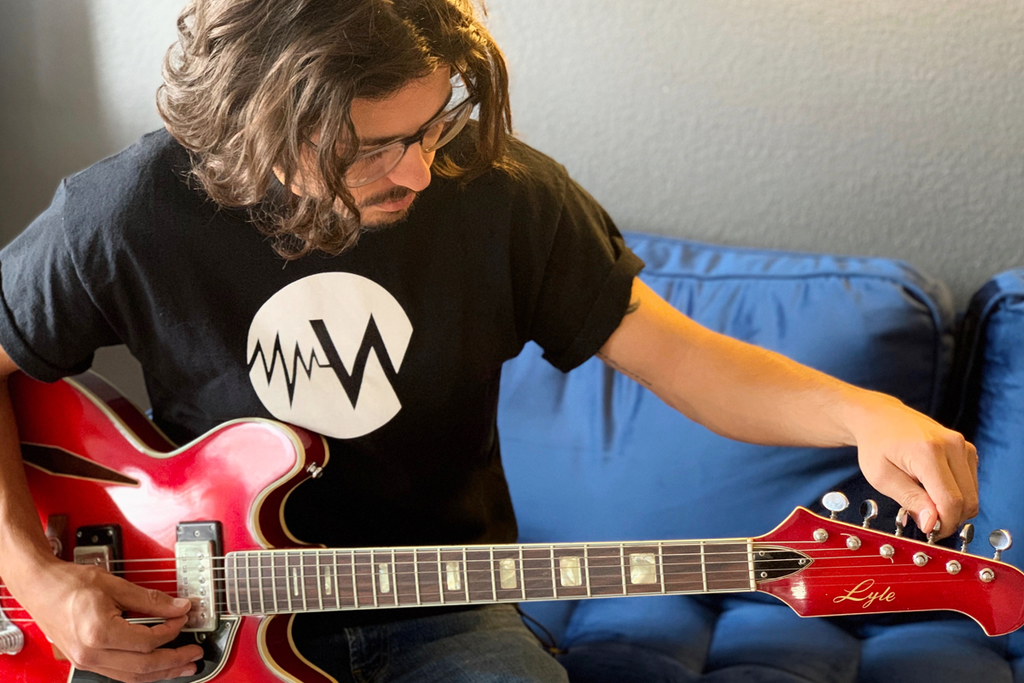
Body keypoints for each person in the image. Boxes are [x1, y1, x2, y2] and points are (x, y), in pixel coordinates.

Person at [0, 1, 978, 682]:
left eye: (433, 124)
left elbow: (687, 360)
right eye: (369, 146)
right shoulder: (126, 214)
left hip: (444, 603)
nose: (419, 169)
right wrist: (40, 579)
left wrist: (867, 412)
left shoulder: (503, 194)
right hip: (196, 618)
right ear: (257, 126)